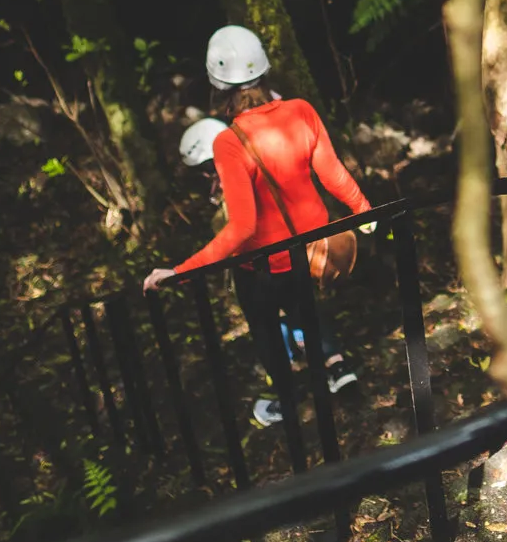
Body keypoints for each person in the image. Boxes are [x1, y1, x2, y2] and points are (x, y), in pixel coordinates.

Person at [144, 26, 374, 429]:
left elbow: (243, 226)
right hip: (312, 252)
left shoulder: (229, 142)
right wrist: (364, 211)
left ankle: (288, 403)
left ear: (216, 85)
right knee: (309, 313)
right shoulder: (301, 111)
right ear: (265, 70)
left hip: (264, 267)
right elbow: (333, 175)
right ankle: (334, 373)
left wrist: (182, 272)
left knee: (266, 329)